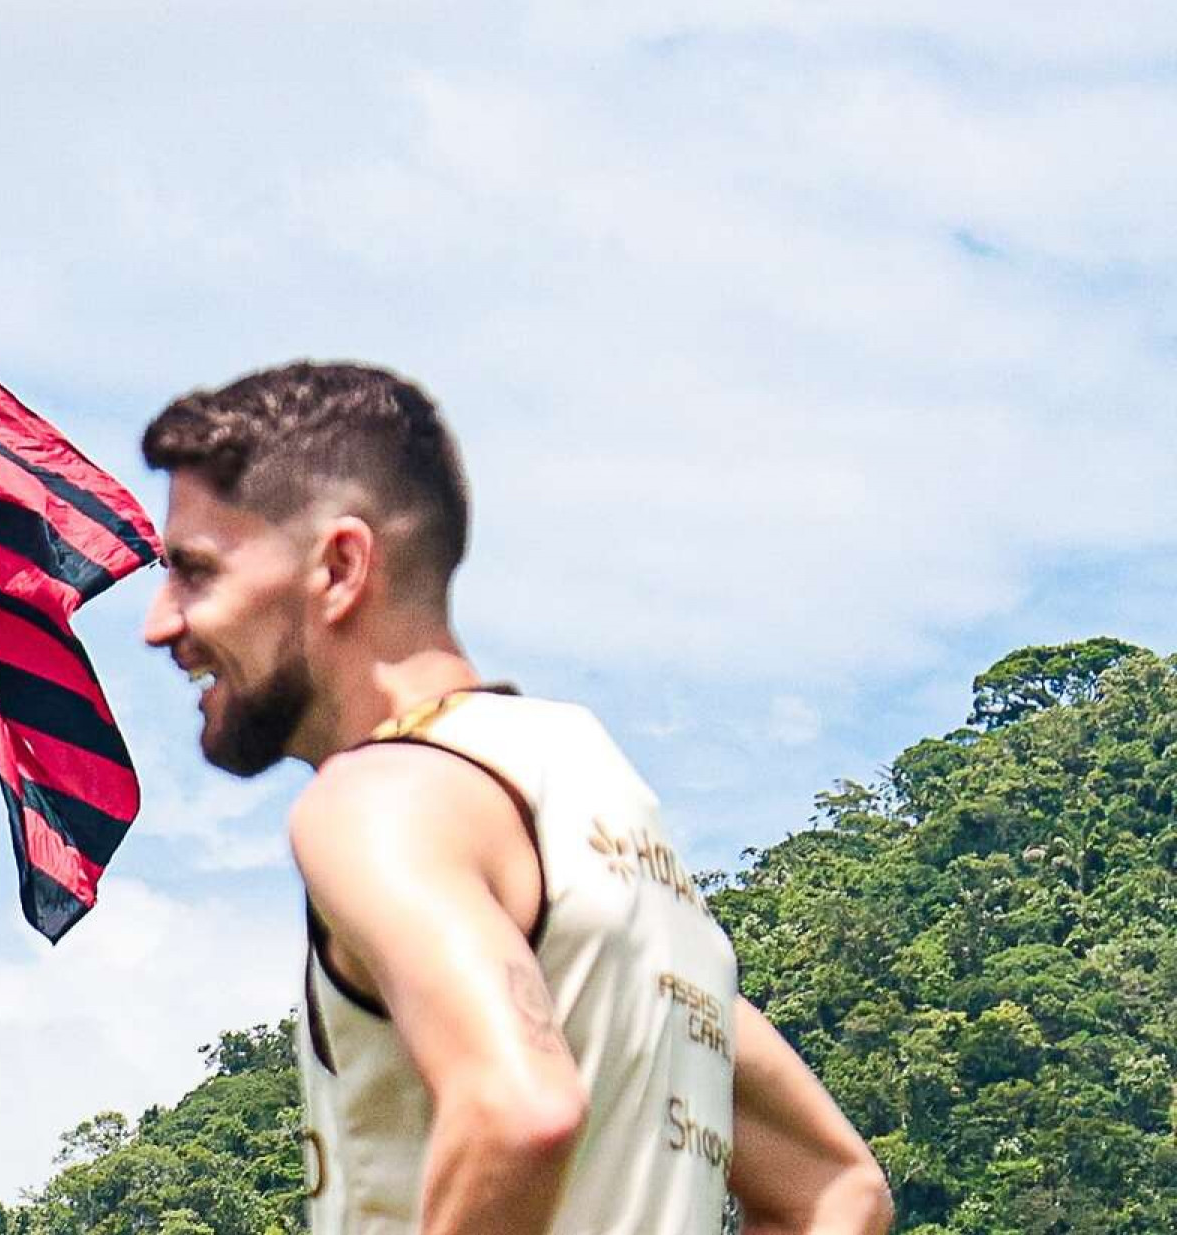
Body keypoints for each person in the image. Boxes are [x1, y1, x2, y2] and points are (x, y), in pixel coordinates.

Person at [139, 362, 893, 1235]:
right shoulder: (587, 794)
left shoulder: (379, 798)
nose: (160, 622)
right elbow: (835, 1190)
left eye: (194, 571)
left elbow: (517, 1106)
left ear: (341, 566)